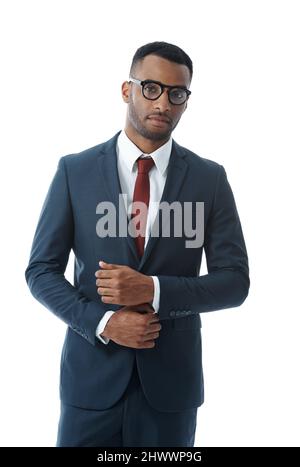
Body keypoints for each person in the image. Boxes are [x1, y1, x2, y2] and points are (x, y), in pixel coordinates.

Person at [25, 41, 250, 447]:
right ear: (127, 90)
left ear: (186, 101)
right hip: (89, 385)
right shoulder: (74, 171)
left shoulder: (209, 179)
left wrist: (154, 289)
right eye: (151, 88)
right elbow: (40, 270)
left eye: (176, 93)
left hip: (170, 392)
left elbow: (235, 282)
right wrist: (103, 322)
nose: (163, 102)